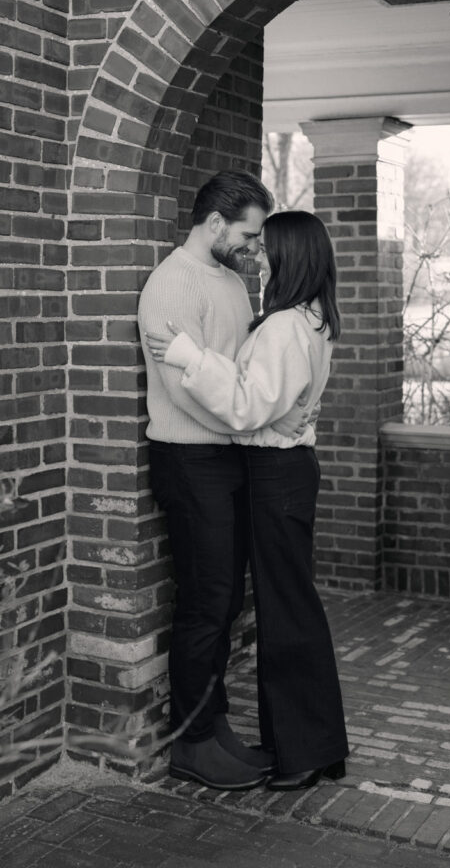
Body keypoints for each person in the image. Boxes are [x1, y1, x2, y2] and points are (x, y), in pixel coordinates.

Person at [145, 210, 349, 791]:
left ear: (291, 256)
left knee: (286, 614)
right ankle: (312, 746)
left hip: (276, 473)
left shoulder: (287, 326)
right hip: (285, 471)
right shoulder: (310, 318)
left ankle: (306, 752)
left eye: (267, 246)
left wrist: (188, 355)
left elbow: (248, 406)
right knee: (292, 609)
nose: (258, 254)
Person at [138, 169, 292, 791]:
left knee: (227, 600)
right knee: (204, 604)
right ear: (214, 223)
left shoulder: (230, 280)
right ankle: (191, 743)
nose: (257, 250)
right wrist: (248, 415)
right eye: (250, 237)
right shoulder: (171, 285)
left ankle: (216, 728)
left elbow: (233, 372)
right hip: (190, 458)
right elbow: (188, 390)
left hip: (229, 453)